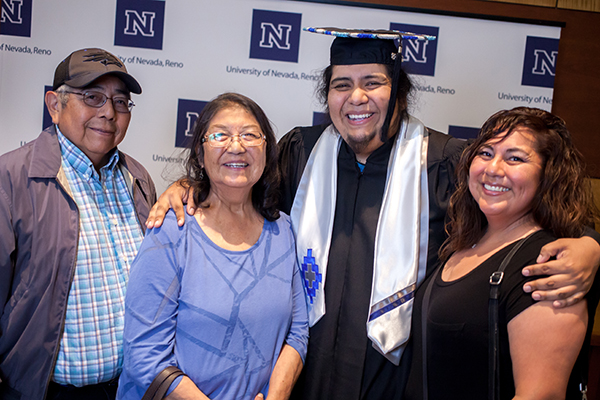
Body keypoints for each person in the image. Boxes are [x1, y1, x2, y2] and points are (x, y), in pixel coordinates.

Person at [145, 29, 600, 400]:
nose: (356, 97)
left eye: (373, 83)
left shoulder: (443, 161)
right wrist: (188, 185)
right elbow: (235, 193)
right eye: (342, 85)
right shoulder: (301, 152)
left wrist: (589, 245)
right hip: (300, 378)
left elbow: (530, 213)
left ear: (398, 92)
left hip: (395, 382)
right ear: (329, 95)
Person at [116, 93, 308, 400]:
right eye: (220, 135)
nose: (236, 146)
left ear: (266, 149)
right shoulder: (172, 231)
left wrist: (276, 396)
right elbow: (144, 355)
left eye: (249, 134)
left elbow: (298, 331)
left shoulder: (282, 230)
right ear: (200, 152)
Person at [404, 107, 600, 399]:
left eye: (515, 158)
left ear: (549, 174)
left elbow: (539, 395)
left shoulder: (549, 266)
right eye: (485, 153)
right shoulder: (463, 240)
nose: (493, 169)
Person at [0, 48, 156, 400]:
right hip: (49, 392)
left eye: (120, 102)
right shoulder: (12, 179)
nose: (108, 113)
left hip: (130, 388)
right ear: (55, 105)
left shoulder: (137, 177)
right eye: (93, 97)